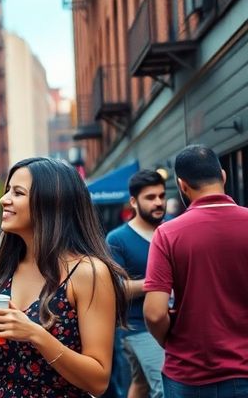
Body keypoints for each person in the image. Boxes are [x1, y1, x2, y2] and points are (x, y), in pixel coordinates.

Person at [0, 157, 127, 397]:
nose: (4, 199)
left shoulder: (88, 272)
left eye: (17, 192)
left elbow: (98, 380)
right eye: (7, 190)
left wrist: (34, 333)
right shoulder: (7, 267)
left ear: (51, 203)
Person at [144, 145, 248, 396]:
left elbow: (155, 314)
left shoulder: (168, 234)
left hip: (188, 374)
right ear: (223, 176)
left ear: (182, 185)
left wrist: (169, 342)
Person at [106, 170, 167, 398]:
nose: (159, 202)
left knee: (140, 384)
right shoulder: (117, 239)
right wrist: (159, 283)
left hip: (172, 320)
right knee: (163, 388)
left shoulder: (171, 229)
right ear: (133, 201)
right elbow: (116, 289)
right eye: (150, 198)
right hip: (137, 327)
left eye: (161, 196)